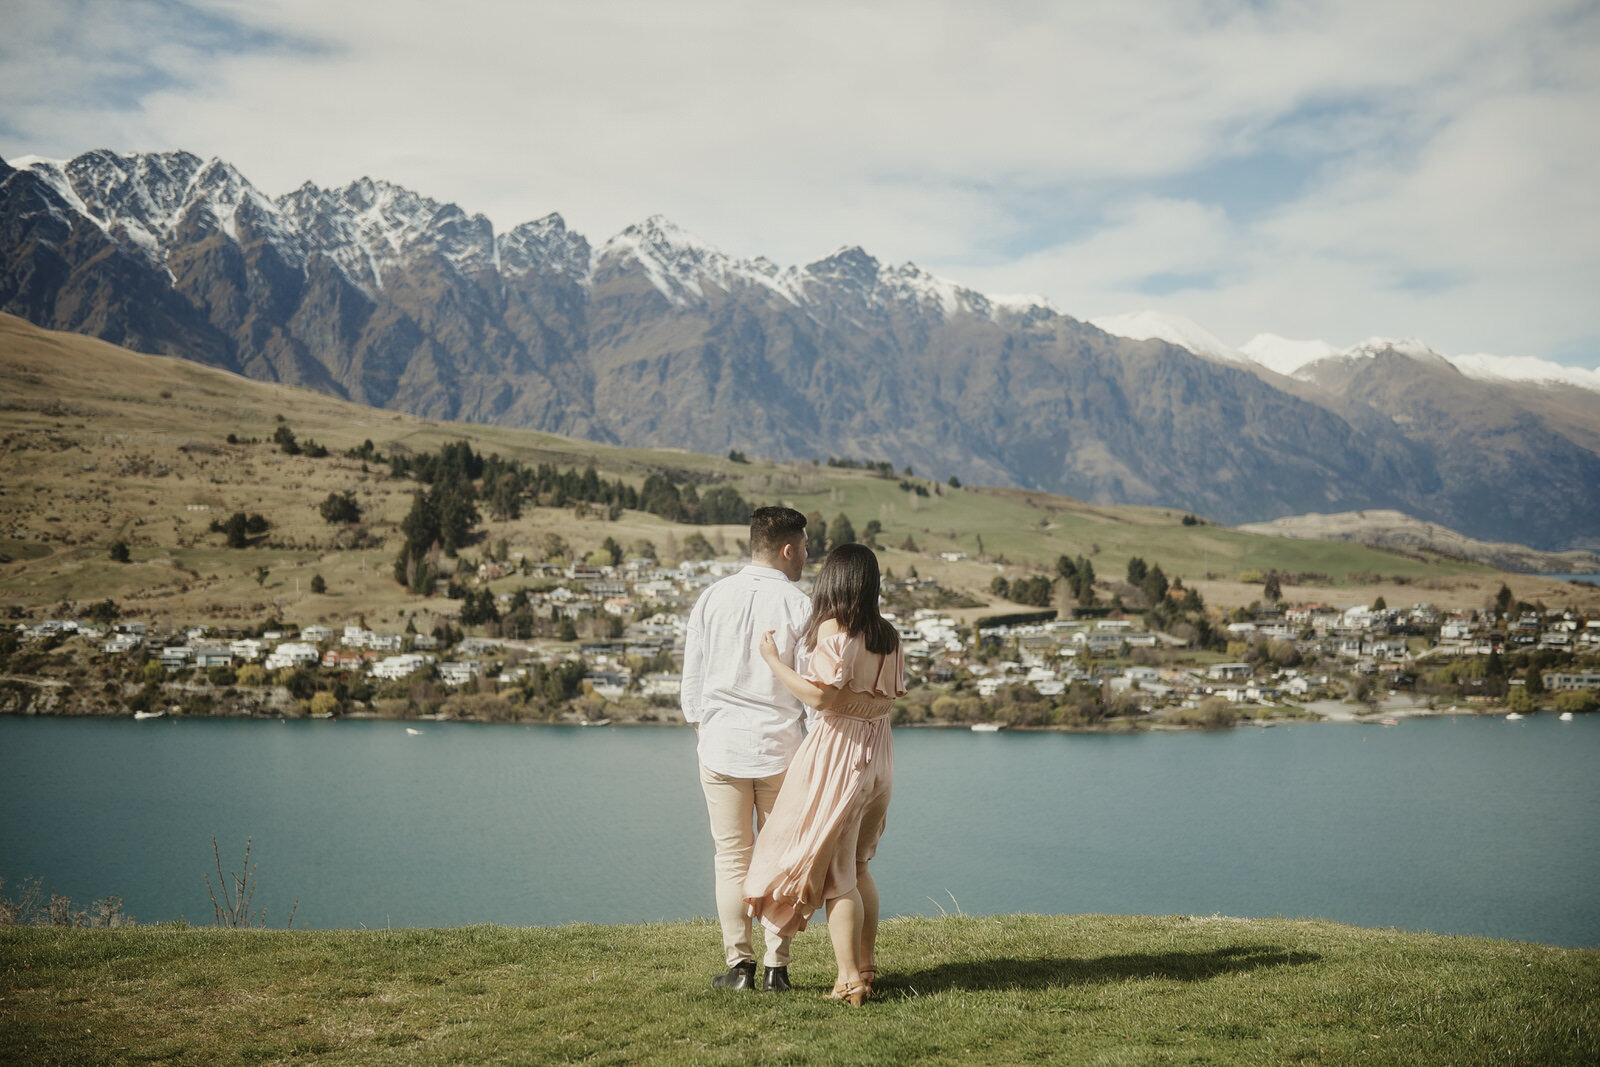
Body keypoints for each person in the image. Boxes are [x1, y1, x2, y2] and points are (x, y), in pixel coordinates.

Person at [745, 543, 905, 1006]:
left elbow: (819, 699)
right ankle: (868, 967)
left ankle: (849, 979)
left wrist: (774, 661)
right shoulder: (889, 636)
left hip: (839, 756)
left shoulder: (836, 631)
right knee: (857, 866)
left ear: (834, 581)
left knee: (838, 876)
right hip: (879, 758)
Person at [680, 505, 811, 992]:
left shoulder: (712, 598)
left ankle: (739, 968)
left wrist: (706, 731)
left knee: (732, 858)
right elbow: (811, 687)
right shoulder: (801, 606)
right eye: (803, 547)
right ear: (787, 548)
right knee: (783, 858)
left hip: (722, 748)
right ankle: (778, 967)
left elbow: (691, 687)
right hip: (783, 751)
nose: (805, 556)